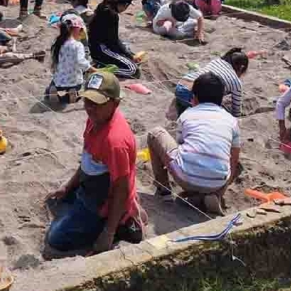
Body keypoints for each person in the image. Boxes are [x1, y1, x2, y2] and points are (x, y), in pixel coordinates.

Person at [46, 71, 144, 254]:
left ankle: (123, 223)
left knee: (56, 239)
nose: (89, 108)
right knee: (58, 201)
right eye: (87, 101)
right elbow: (87, 159)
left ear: (115, 103)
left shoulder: (115, 142)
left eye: (96, 103)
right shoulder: (95, 120)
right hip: (90, 185)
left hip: (102, 200)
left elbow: (121, 188)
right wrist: (68, 186)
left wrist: (108, 232)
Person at [147, 72, 241, 215]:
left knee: (155, 133)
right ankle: (214, 195)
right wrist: (223, 186)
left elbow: (181, 146)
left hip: (185, 178)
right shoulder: (232, 120)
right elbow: (234, 159)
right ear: (221, 99)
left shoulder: (187, 115)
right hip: (218, 183)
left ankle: (163, 189)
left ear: (194, 98)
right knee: (234, 161)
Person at [175, 48, 248, 117]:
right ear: (241, 68)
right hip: (190, 94)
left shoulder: (216, 61)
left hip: (181, 85)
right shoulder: (236, 82)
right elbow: (236, 111)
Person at [88, 0, 141, 79]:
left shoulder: (105, 6)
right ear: (125, 5)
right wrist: (130, 56)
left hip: (95, 44)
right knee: (133, 70)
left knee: (125, 48)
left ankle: (102, 64)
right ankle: (100, 70)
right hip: (100, 48)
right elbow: (113, 41)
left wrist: (127, 54)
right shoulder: (112, 15)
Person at [48, 14, 92, 103]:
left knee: (51, 85)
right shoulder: (78, 45)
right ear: (76, 30)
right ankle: (72, 92)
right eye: (80, 30)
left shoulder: (57, 43)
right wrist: (92, 69)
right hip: (74, 81)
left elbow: (53, 62)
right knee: (79, 85)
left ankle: (54, 89)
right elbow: (81, 62)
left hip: (59, 81)